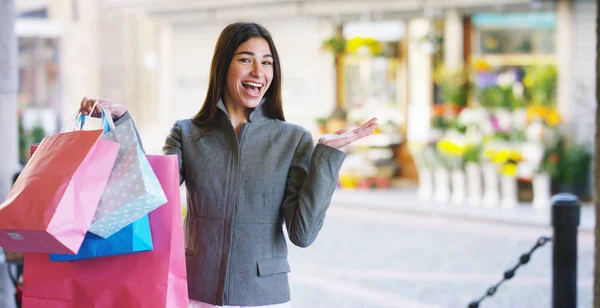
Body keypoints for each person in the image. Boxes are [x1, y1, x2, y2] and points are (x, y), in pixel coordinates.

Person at [80, 22, 377, 308]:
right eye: (246, 59)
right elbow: (150, 191)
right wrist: (121, 124)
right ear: (223, 67)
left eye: (267, 62)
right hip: (197, 293)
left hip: (265, 297)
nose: (259, 72)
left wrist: (326, 156)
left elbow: (303, 234)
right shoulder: (186, 133)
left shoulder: (293, 140)